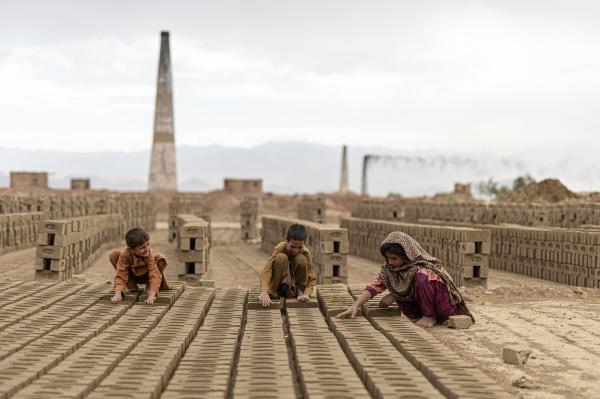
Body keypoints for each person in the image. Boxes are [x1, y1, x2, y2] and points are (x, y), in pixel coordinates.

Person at [336, 231, 473, 327]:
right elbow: (374, 286)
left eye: (394, 258)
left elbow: (425, 285)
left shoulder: (424, 266)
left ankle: (431, 316)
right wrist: (355, 306)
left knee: (422, 277)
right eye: (387, 258)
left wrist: (394, 295)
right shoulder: (389, 268)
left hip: (442, 306)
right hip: (418, 306)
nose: (390, 262)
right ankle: (424, 314)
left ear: (407, 254)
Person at [258, 223, 317, 306]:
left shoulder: (305, 252)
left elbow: (312, 277)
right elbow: (267, 270)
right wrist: (264, 291)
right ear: (286, 240)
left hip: (295, 288)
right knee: (281, 258)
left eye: (299, 247)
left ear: (304, 243)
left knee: (301, 259)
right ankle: (273, 292)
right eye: (292, 246)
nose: (296, 250)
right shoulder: (280, 248)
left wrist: (306, 293)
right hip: (279, 286)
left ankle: (299, 290)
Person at [109, 227, 169, 305]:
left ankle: (149, 288)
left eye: (148, 244)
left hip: (147, 277)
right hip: (132, 277)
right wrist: (118, 293)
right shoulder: (125, 256)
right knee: (114, 254)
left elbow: (154, 274)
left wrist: (152, 294)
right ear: (132, 250)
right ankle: (132, 287)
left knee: (161, 258)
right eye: (143, 247)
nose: (147, 249)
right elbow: (121, 275)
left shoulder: (149, 254)